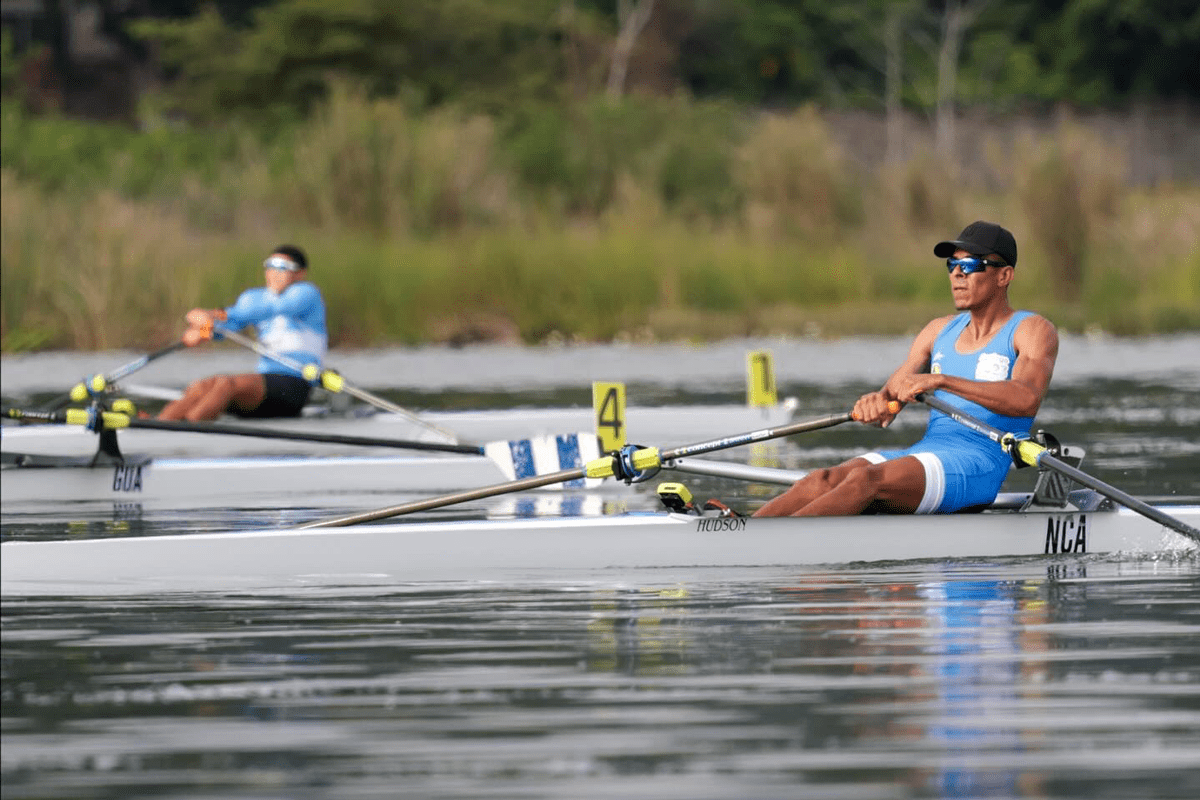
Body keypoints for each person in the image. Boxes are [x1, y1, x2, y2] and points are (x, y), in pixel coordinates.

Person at [753, 221, 1058, 517]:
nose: (956, 275)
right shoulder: (937, 331)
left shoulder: (1030, 329)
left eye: (971, 266)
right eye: (951, 265)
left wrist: (941, 380)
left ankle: (779, 544)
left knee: (864, 481)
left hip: (976, 465)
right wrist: (875, 403)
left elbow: (1026, 398)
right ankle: (747, 531)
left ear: (1004, 275)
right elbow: (890, 400)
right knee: (822, 480)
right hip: (926, 452)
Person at [158, 245, 328, 422]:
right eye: (270, 266)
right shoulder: (253, 298)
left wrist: (212, 315)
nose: (274, 273)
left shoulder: (307, 294)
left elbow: (270, 309)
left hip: (294, 385)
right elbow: (227, 327)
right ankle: (158, 425)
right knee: (200, 386)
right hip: (263, 382)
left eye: (283, 267)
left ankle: (189, 428)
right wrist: (202, 331)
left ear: (300, 274)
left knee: (225, 383)